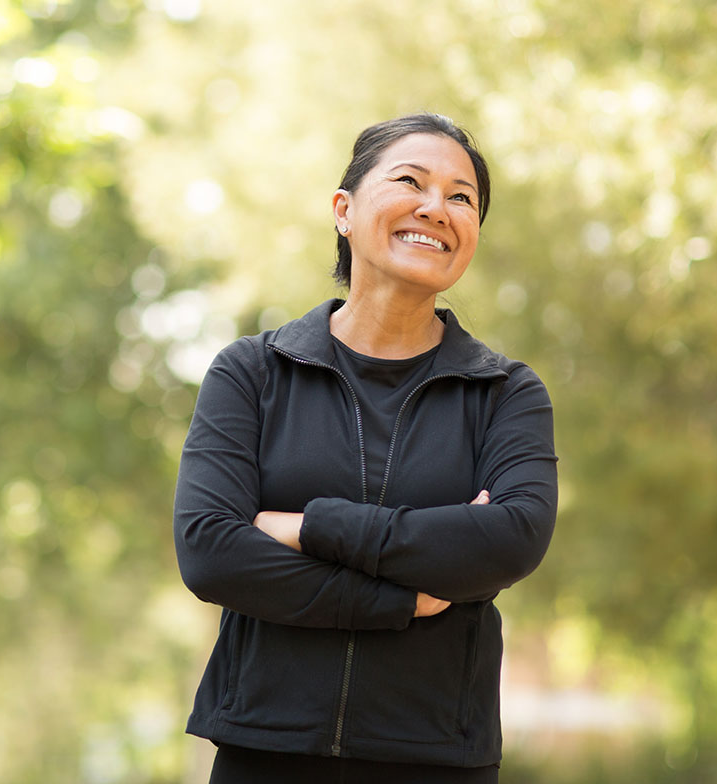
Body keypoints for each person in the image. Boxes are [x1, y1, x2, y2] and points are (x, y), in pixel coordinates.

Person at [173, 113, 558, 783]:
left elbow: (510, 539)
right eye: (410, 181)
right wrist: (402, 599)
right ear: (344, 211)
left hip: (438, 757)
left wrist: (306, 525)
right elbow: (210, 551)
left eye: (462, 197)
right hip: (265, 750)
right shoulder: (253, 373)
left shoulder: (505, 393)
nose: (437, 208)